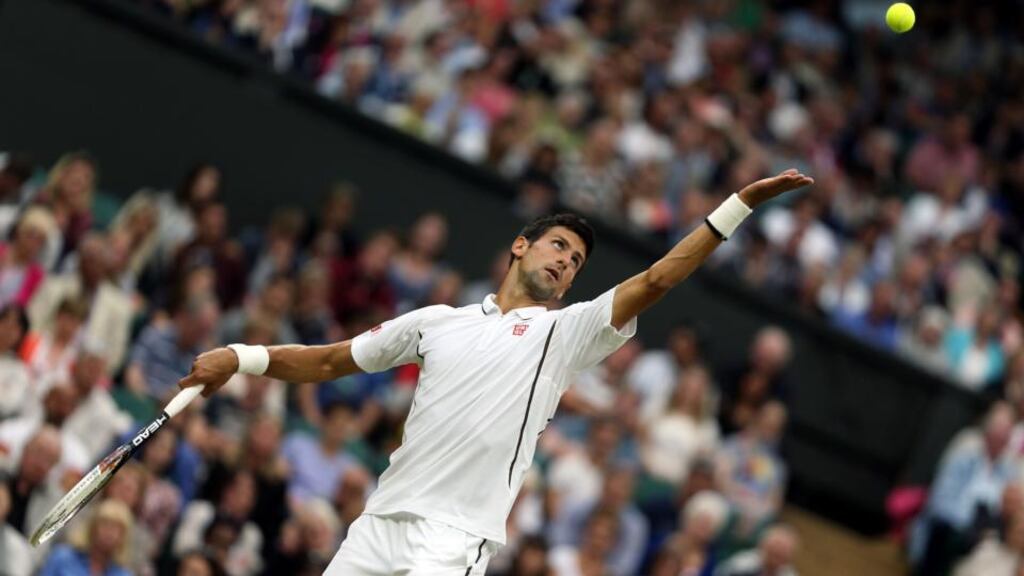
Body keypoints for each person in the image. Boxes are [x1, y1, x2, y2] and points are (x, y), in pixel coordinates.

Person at [177, 169, 813, 574]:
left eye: (577, 260)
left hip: (452, 540)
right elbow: (332, 359)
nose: (567, 261)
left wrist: (737, 206)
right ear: (521, 246)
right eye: (559, 245)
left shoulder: (564, 332)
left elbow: (658, 278)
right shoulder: (436, 321)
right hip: (378, 524)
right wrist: (239, 357)